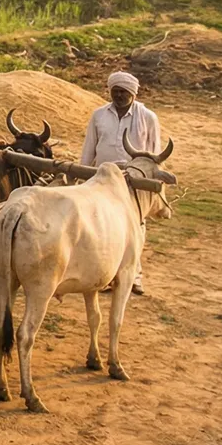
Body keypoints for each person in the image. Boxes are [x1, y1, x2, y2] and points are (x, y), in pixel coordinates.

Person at [80, 70, 163, 295]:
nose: (118, 95)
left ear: (133, 93)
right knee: (102, 225)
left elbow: (154, 153)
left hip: (134, 182)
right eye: (115, 91)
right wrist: (82, 173)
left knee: (135, 227)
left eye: (123, 92)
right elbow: (89, 147)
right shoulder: (99, 115)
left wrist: (150, 180)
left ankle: (134, 277)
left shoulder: (148, 117)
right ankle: (106, 275)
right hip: (102, 178)